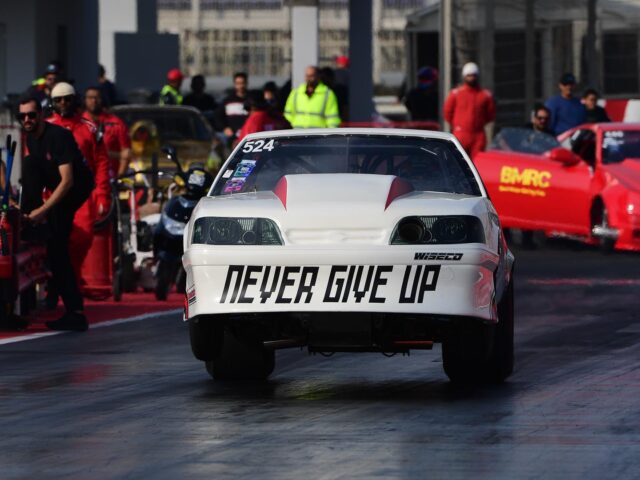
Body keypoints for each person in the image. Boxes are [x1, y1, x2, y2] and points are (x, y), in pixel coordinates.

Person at [18, 95, 94, 331]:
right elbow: (38, 175)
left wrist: (42, 211)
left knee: (58, 248)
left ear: (41, 115)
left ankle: (75, 312)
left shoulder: (58, 136)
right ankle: (29, 221)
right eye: (22, 116)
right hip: (55, 185)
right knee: (30, 163)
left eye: (31, 115)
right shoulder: (31, 138)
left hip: (74, 189)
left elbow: (68, 181)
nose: (27, 120)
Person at [47, 82, 111, 283]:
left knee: (83, 237)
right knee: (54, 239)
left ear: (74, 100)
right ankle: (63, 282)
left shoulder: (90, 128)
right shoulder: (45, 126)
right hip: (51, 193)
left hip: (82, 194)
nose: (63, 103)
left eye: (67, 99)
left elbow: (101, 163)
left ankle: (70, 277)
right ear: (52, 102)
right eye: (58, 99)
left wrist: (102, 194)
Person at [444, 62, 496, 158]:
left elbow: (490, 114)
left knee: (477, 161)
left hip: (478, 135)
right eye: (469, 75)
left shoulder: (485, 95)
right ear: (464, 76)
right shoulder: (455, 94)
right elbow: (447, 113)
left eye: (474, 75)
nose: (471, 78)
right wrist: (458, 125)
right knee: (459, 160)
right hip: (460, 133)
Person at [83, 87, 132, 178]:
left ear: (102, 100)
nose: (94, 101)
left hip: (109, 176)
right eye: (90, 97)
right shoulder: (79, 122)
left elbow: (126, 153)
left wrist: (119, 178)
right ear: (85, 100)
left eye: (97, 98)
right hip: (84, 176)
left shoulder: (116, 123)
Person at [216, 72, 249, 142]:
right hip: (232, 137)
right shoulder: (228, 101)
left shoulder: (252, 100)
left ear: (246, 83)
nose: (241, 86)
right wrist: (225, 128)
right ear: (234, 84)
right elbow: (218, 116)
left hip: (248, 135)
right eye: (238, 83)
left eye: (243, 83)